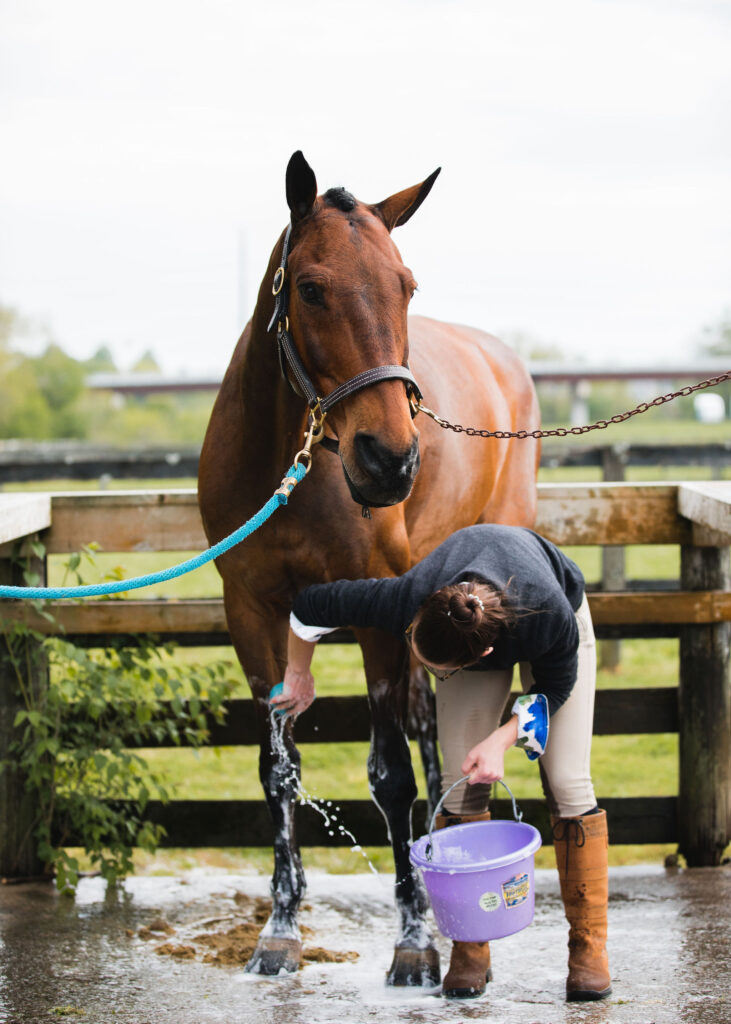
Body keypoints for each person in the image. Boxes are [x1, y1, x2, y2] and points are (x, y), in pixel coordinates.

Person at [274, 523, 612, 1003]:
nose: (433, 675)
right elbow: (308, 608)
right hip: (463, 621)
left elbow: (554, 689)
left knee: (567, 781)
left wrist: (501, 739)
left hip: (557, 627)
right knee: (460, 782)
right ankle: (470, 946)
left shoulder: (549, 615)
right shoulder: (407, 598)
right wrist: (297, 672)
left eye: (439, 673)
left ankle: (588, 946)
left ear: (482, 656)